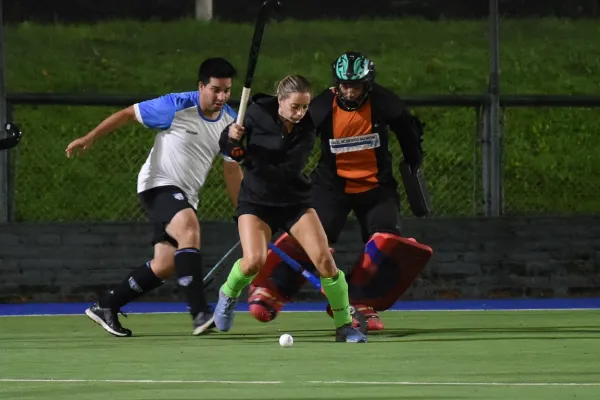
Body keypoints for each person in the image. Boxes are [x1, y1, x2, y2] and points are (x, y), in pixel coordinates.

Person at [246, 51, 432, 331]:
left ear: (367, 84)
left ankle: (359, 302)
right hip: (331, 187)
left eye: (355, 85)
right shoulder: (321, 107)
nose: (349, 91)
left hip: (376, 188)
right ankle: (271, 288)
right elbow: (292, 135)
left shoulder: (385, 103)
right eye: (344, 85)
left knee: (385, 240)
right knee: (308, 239)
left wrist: (413, 162)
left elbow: (409, 136)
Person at [65, 57, 243, 337]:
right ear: (201, 86)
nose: (222, 96)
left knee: (164, 265)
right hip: (157, 185)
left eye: (227, 90)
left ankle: (107, 306)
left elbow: (232, 172)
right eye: (216, 89)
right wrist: (90, 137)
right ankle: (199, 313)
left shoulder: (231, 122)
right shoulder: (175, 106)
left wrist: (242, 214)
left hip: (186, 196)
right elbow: (127, 114)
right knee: (189, 228)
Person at [216, 74, 367, 343]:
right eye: (295, 106)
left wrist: (243, 153)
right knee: (253, 262)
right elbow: (229, 151)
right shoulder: (256, 112)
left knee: (325, 262)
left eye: (305, 107)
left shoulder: (308, 127)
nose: (300, 113)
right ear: (280, 100)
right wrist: (231, 137)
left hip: (293, 201)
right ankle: (227, 295)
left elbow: (275, 163)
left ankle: (344, 325)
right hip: (256, 200)